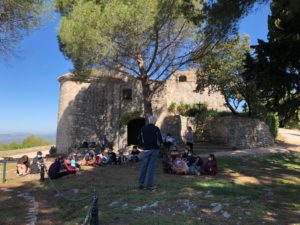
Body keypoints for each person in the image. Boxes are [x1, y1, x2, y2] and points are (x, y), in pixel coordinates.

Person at [138, 115, 163, 190]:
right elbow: (160, 140)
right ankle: (149, 184)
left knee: (144, 167)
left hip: (146, 149)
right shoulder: (156, 129)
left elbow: (139, 139)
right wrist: (159, 146)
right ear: (154, 121)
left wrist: (144, 146)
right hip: (154, 149)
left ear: (149, 121)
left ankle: (141, 184)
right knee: (151, 167)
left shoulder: (143, 129)